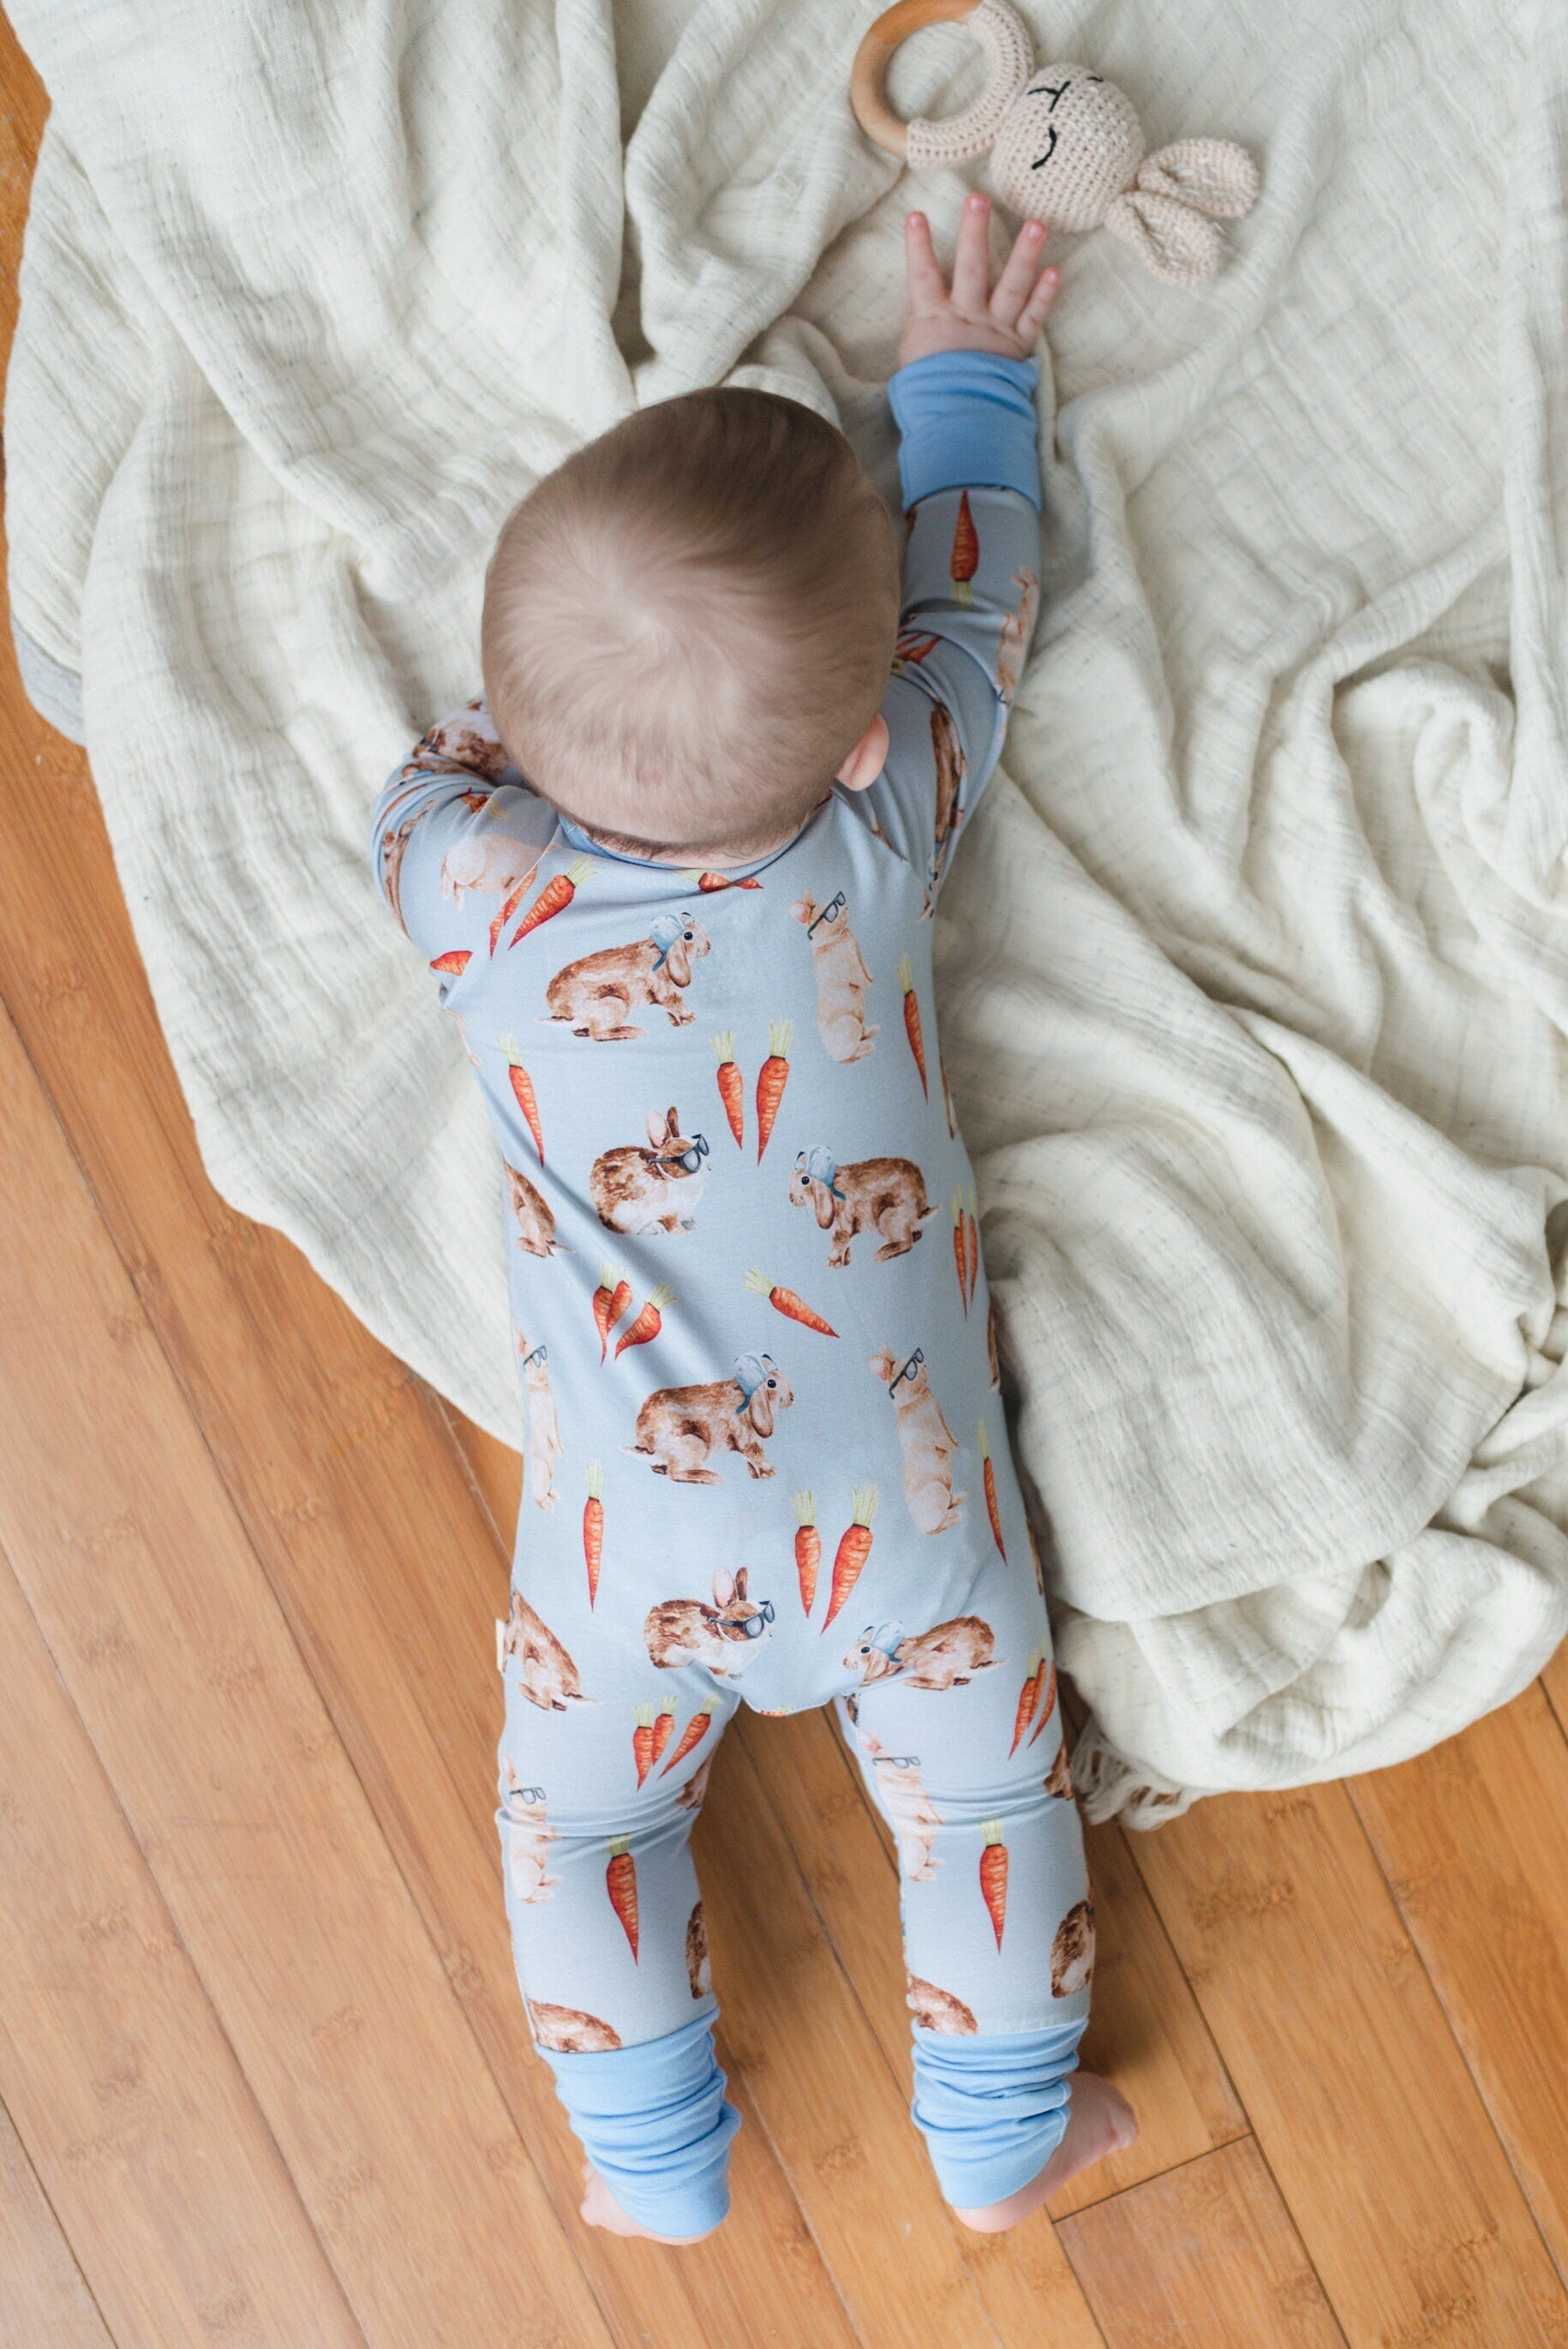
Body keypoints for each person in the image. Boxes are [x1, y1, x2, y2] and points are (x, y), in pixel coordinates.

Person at [368, 192, 1135, 2243]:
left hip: (634, 1546)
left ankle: (649, 2166)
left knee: (579, 1826)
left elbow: (423, 786)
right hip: (910, 1509)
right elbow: (978, 600)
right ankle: (1003, 2135)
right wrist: (962, 383)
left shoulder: (467, 877)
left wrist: (502, 745)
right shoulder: (879, 814)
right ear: (866, 734)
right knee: (987, 1800)